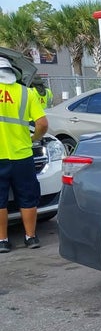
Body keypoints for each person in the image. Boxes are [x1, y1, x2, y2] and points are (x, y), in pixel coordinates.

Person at [0, 57, 48, 253]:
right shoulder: (27, 93)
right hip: (22, 155)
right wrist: (33, 138)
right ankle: (31, 237)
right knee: (28, 197)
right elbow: (42, 124)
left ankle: (2, 241)